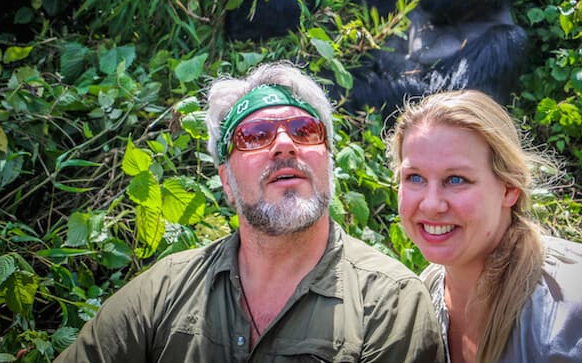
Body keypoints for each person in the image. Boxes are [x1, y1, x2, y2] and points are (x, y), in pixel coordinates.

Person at [56, 61, 445, 362]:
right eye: (255, 136)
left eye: (304, 130)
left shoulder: (389, 302)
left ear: (327, 162)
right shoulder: (164, 291)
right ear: (226, 180)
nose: (284, 145)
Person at [385, 89, 582, 363]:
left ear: (510, 188)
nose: (431, 204)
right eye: (415, 177)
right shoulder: (425, 291)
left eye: (456, 179)